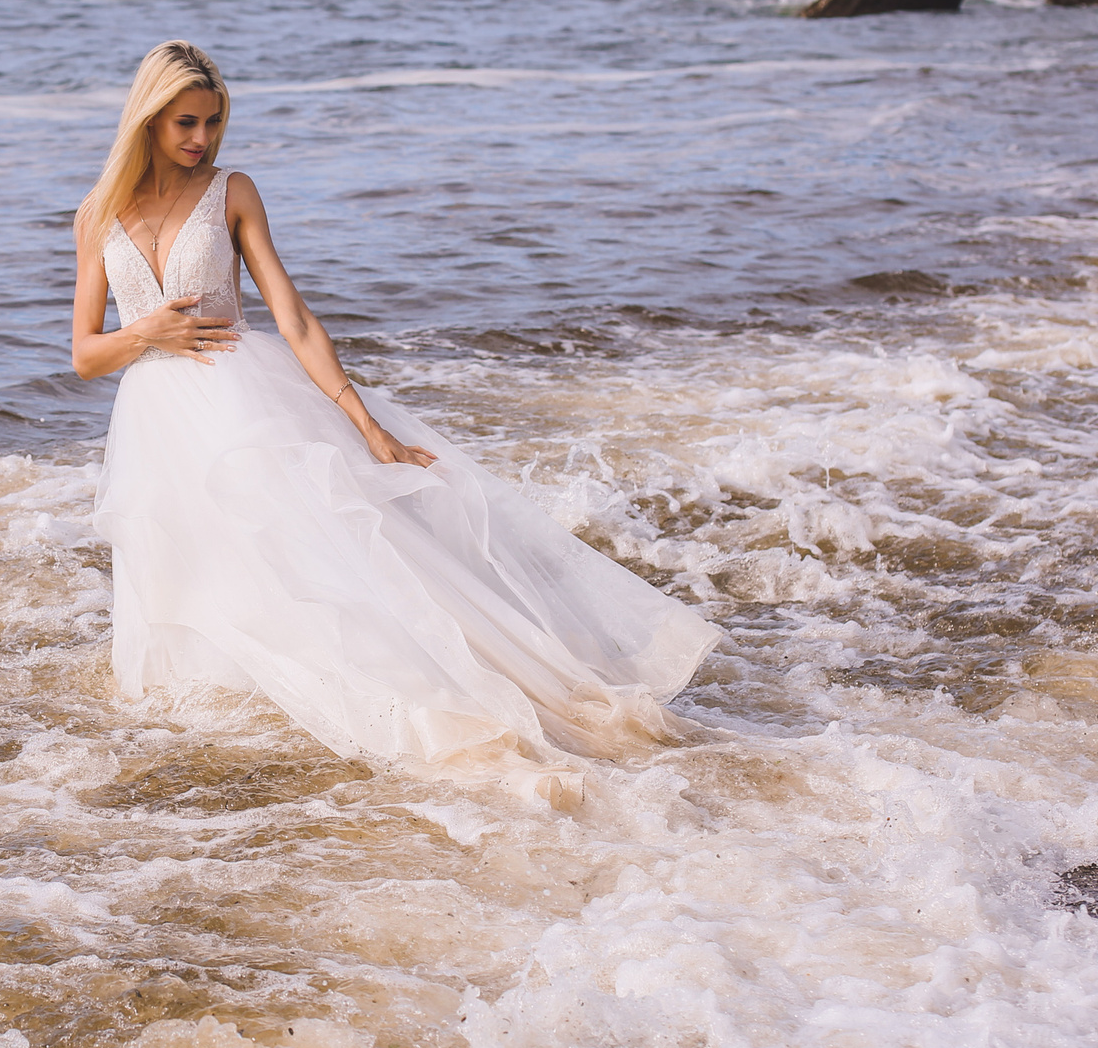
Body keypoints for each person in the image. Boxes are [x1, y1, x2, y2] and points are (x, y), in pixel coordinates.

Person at [71, 41, 720, 798]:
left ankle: (405, 697)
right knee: (193, 573)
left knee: (310, 561)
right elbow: (86, 353)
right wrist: (146, 331)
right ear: (149, 117)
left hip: (241, 399)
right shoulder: (98, 217)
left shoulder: (232, 191)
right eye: (187, 122)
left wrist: (360, 419)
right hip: (157, 423)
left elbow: (295, 317)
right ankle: (223, 724)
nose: (202, 139)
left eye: (213, 123)